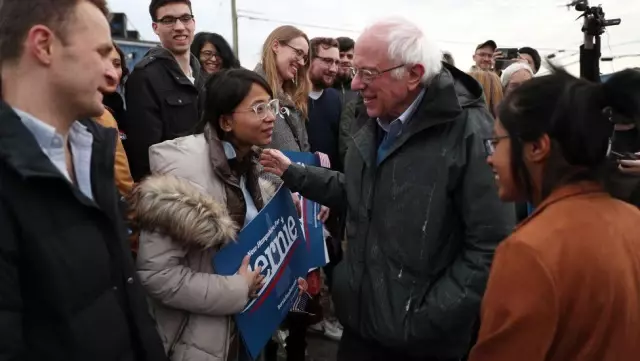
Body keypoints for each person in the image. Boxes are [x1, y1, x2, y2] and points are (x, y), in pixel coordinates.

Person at [260, 17, 515, 361]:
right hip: (362, 325)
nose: (354, 84)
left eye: (368, 73)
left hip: (424, 341)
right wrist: (295, 173)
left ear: (412, 73)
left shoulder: (468, 131)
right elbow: (359, 191)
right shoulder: (373, 115)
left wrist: (430, 318)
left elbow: (491, 245)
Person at [0, 0, 166, 360]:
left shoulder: (93, 149)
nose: (114, 75)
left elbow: (126, 295)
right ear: (44, 45)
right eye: (102, 54)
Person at [469, 67, 640, 361]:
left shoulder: (528, 252)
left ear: (537, 147)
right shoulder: (632, 220)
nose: (490, 158)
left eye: (497, 142)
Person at [131, 68, 288, 361]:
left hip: (246, 332)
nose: (271, 117)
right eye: (259, 108)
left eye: (272, 106)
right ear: (226, 121)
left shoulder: (250, 164)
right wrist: (237, 289)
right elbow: (157, 276)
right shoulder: (184, 177)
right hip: (199, 341)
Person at [124, 0, 205, 181]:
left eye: (185, 18)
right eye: (168, 20)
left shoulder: (203, 75)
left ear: (193, 22)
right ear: (155, 27)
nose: (179, 27)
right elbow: (144, 157)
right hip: (174, 193)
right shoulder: (144, 77)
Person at [96, 43, 134, 196]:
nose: (111, 71)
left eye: (117, 64)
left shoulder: (124, 112)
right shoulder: (91, 111)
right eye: (103, 61)